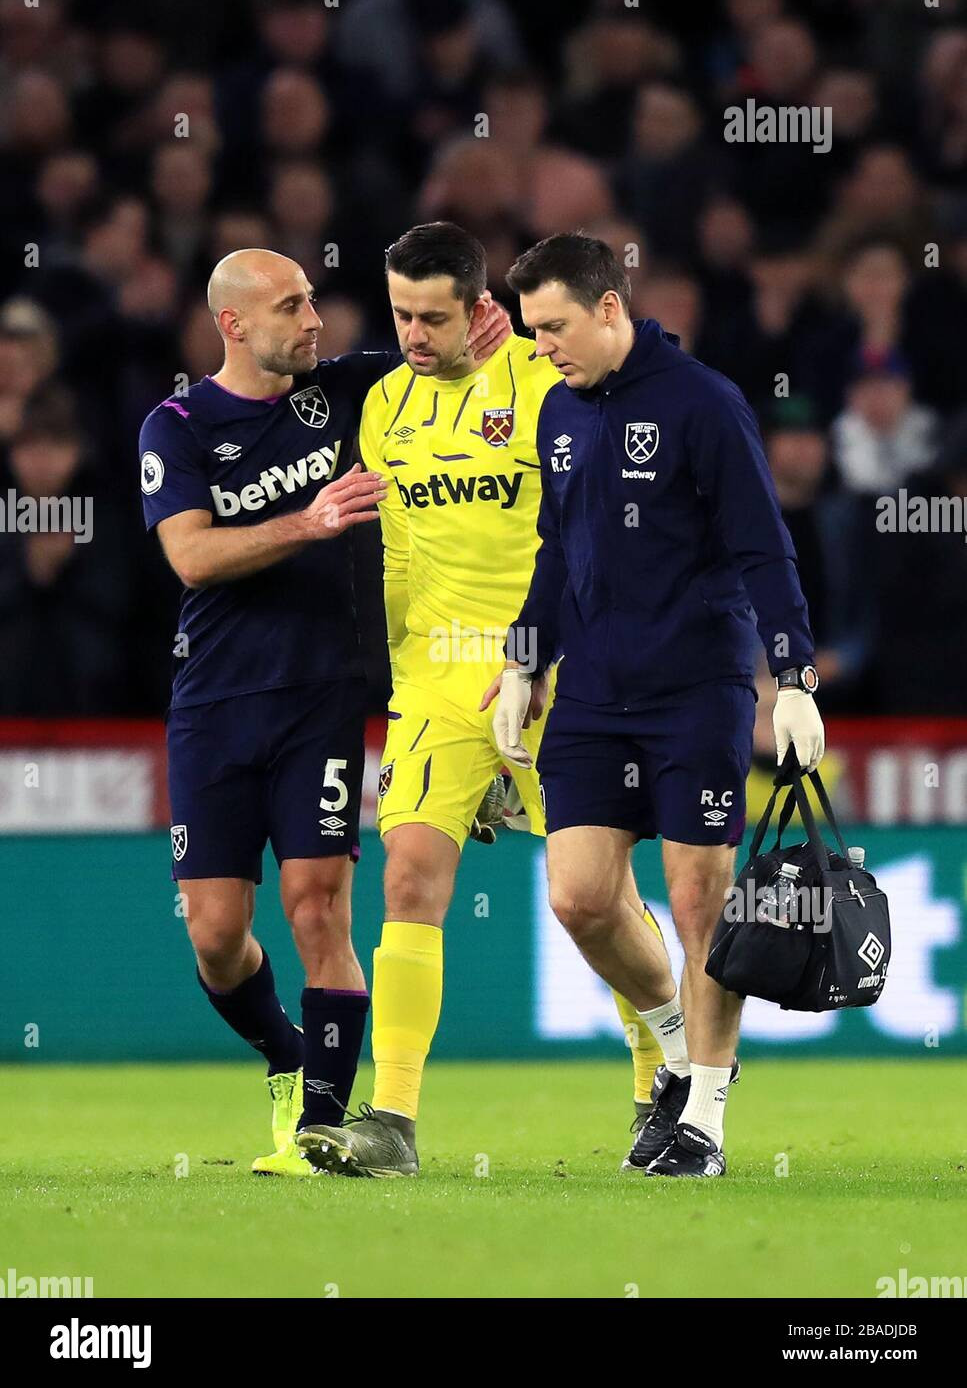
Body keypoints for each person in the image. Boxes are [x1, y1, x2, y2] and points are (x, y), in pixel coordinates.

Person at [296, 222, 676, 1178]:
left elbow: (603, 511)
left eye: (432, 317)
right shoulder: (384, 404)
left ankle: (656, 1087)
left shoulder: (546, 386)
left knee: (599, 900)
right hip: (436, 679)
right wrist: (379, 670)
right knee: (410, 876)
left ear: (483, 310)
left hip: (555, 673)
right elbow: (390, 548)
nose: (414, 336)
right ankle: (394, 1120)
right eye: (399, 315)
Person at [138, 247, 507, 1176]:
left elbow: (454, 355)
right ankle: (285, 1056)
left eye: (314, 301)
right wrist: (310, 520)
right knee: (218, 936)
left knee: (317, 913)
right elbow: (189, 558)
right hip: (215, 700)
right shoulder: (177, 425)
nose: (316, 321)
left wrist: (489, 327)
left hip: (326, 694)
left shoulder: (351, 391)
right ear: (234, 324)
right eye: (292, 306)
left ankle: (324, 1127)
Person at [488, 233, 825, 1177]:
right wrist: (524, 662)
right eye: (528, 330)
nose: (539, 346)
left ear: (607, 308)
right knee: (580, 898)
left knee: (697, 904)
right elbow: (556, 552)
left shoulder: (703, 405)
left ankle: (705, 1124)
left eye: (552, 326)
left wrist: (792, 676)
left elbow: (763, 547)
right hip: (592, 691)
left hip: (694, 690)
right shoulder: (556, 414)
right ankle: (676, 1055)